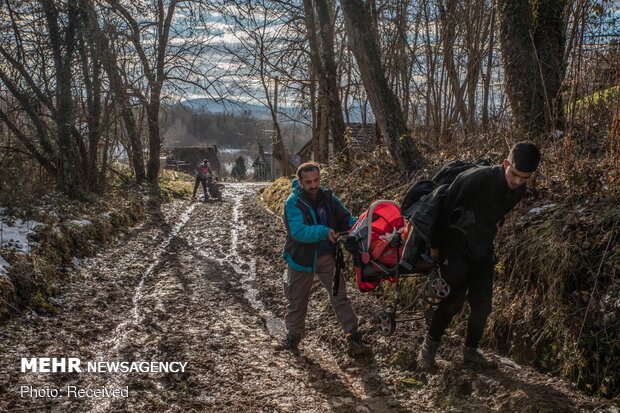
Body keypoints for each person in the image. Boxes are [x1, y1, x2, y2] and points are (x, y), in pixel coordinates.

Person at [418, 141, 541, 370]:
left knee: (483, 304)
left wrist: (485, 238)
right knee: (452, 301)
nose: (517, 181)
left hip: (483, 247)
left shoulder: (520, 189)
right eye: (514, 174)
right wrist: (435, 247)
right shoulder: (475, 178)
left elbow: (496, 215)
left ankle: (471, 351)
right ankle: (428, 349)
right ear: (506, 163)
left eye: (524, 177)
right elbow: (443, 210)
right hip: (455, 244)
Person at [276, 161, 370, 357]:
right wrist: (324, 231)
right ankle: (293, 337)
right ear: (300, 182)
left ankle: (353, 337)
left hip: (327, 257)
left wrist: (364, 223)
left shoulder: (329, 198)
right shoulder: (292, 203)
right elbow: (299, 231)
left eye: (316, 180)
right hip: (301, 259)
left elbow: (347, 220)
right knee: (297, 300)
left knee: (340, 297)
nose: (314, 185)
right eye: (309, 182)